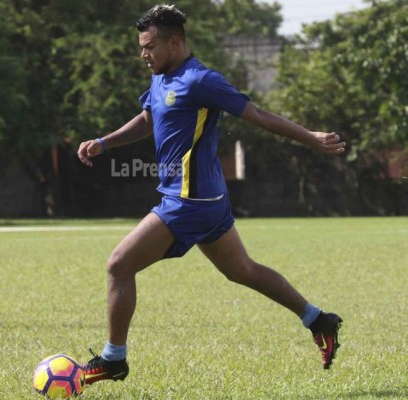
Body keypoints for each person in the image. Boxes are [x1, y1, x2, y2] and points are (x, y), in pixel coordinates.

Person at [77, 4, 345, 384]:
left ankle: (113, 359)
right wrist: (104, 143)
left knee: (119, 265)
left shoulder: (201, 79)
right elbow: (149, 119)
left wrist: (311, 138)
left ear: (175, 42)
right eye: (141, 46)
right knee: (243, 270)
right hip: (207, 200)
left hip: (190, 201)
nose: (143, 53)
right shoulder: (160, 77)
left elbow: (258, 114)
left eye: (150, 46)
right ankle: (319, 319)